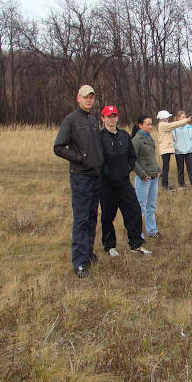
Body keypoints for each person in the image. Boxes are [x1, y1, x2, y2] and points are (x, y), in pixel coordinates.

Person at [53, 84, 103, 279]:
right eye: (85, 97)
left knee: (92, 217)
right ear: (78, 98)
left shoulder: (92, 120)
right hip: (81, 176)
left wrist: (100, 162)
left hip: (95, 175)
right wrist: (81, 158)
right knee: (81, 219)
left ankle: (88, 253)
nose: (89, 100)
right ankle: (79, 263)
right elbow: (58, 147)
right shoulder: (71, 120)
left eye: (91, 97)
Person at [99, 105, 153, 257]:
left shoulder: (124, 135)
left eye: (114, 115)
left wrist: (126, 169)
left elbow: (131, 155)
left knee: (134, 211)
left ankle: (136, 244)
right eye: (109, 116)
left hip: (123, 182)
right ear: (103, 118)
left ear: (117, 117)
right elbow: (97, 159)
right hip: (107, 185)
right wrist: (106, 173)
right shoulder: (100, 137)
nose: (112, 119)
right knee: (108, 216)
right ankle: (109, 246)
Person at [131, 115, 162, 238]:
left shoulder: (150, 139)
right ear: (140, 125)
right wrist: (143, 175)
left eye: (151, 124)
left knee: (151, 206)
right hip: (144, 179)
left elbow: (152, 158)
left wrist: (158, 170)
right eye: (148, 124)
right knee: (141, 207)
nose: (150, 126)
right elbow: (132, 160)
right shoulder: (136, 140)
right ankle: (138, 234)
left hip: (154, 177)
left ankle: (152, 230)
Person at [156, 110, 192, 191]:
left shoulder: (163, 125)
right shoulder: (162, 125)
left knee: (166, 167)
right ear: (163, 118)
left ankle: (166, 185)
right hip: (165, 149)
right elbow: (173, 125)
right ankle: (165, 186)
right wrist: (185, 121)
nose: (168, 118)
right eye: (167, 117)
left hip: (166, 149)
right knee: (165, 168)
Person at [171, 110, 192, 190]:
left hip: (189, 151)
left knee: (191, 167)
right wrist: (178, 148)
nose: (184, 119)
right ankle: (181, 185)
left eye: (185, 117)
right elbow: (172, 140)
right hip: (178, 152)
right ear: (178, 118)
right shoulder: (174, 128)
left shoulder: (189, 127)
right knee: (180, 168)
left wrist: (190, 146)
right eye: (182, 117)